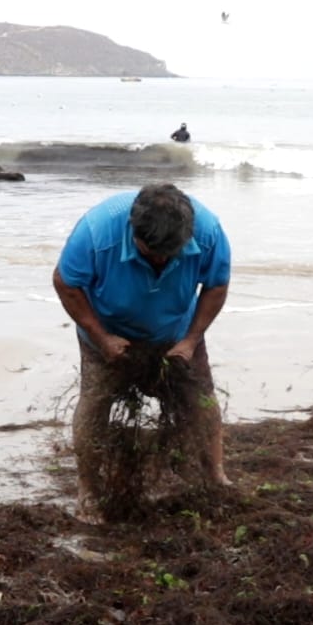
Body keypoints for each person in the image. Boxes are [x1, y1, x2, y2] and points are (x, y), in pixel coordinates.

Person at [53, 183, 232, 522]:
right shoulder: (96, 232)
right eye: (152, 252)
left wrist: (191, 340)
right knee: (95, 403)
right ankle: (89, 491)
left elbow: (216, 285)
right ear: (133, 231)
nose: (162, 260)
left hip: (177, 333)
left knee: (200, 400)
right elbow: (66, 283)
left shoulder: (209, 231)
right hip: (107, 333)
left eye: (171, 253)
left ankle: (215, 477)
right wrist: (102, 338)